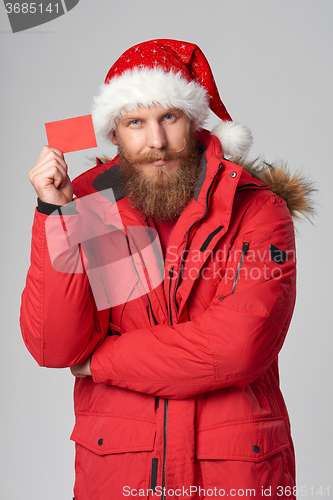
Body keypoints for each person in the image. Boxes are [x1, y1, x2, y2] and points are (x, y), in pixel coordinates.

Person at [21, 40, 313, 500]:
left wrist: (103, 361)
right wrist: (55, 214)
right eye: (136, 122)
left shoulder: (256, 210)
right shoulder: (93, 210)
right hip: (119, 476)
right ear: (114, 134)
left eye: (169, 118)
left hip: (233, 477)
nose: (156, 142)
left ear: (194, 121)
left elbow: (236, 347)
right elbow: (56, 346)